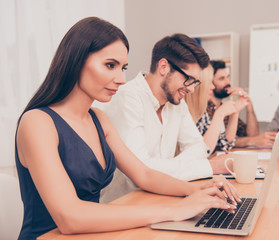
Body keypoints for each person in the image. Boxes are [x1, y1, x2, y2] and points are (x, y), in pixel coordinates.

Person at [15, 17, 240, 240]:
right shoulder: (37, 122)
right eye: (110, 65)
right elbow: (69, 216)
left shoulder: (98, 118)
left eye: (123, 67)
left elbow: (144, 174)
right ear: (77, 60)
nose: (121, 79)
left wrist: (196, 191)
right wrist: (174, 211)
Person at [109, 33, 233, 181]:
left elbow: (198, 147)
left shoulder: (176, 102)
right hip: (128, 201)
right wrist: (209, 167)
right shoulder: (127, 98)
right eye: (189, 79)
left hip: (164, 195)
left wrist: (170, 167)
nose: (192, 89)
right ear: (163, 67)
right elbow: (142, 168)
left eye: (195, 82)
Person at [209, 60, 277, 148]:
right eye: (222, 78)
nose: (228, 82)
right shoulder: (203, 108)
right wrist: (252, 141)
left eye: (228, 77)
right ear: (210, 82)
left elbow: (252, 135)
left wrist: (248, 105)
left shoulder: (225, 107)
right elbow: (218, 142)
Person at [184, 65, 249, 154]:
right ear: (198, 85)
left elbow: (224, 144)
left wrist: (235, 110)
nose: (212, 87)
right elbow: (202, 151)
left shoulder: (202, 112)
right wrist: (219, 114)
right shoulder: (184, 111)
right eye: (209, 82)